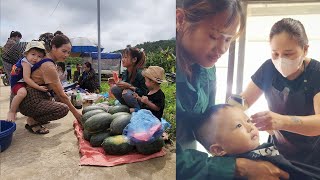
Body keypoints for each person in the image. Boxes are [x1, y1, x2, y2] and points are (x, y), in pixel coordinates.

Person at [176, 0, 289, 179]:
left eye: (228, 39)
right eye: (213, 36)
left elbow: (209, 118)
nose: (222, 49)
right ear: (180, 20)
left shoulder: (207, 67)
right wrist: (236, 167)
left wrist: (239, 119)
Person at [238, 18, 320, 168]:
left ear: (305, 49)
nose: (281, 60)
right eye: (275, 53)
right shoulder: (268, 68)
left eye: (288, 54)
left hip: (313, 157)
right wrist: (227, 111)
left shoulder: (316, 73)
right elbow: (243, 101)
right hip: (277, 150)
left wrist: (281, 121)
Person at [194, 104, 320, 179]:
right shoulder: (238, 169)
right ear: (219, 149)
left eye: (248, 121)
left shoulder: (260, 152)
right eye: (238, 126)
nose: (250, 127)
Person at [17, 34, 81, 134]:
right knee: (63, 109)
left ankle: (35, 116)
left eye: (68, 52)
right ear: (54, 47)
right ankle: (33, 120)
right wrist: (77, 115)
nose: (66, 55)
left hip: (31, 97)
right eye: (63, 51)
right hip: (30, 100)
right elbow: (61, 95)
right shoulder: (49, 66)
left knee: (61, 98)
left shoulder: (47, 59)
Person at [6, 41, 48, 122]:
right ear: (26, 54)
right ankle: (12, 111)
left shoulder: (31, 61)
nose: (35, 58)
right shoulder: (26, 63)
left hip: (22, 81)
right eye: (33, 54)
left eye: (39, 56)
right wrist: (39, 87)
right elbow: (27, 79)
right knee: (22, 93)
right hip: (17, 83)